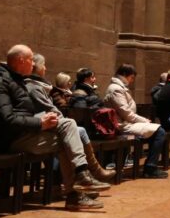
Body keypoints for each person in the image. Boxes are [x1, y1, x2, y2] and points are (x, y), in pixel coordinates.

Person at [0, 45, 109, 211]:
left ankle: (81, 177)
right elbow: (7, 119)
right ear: (21, 60)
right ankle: (76, 190)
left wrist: (44, 119)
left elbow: (21, 112)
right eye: (31, 60)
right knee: (67, 138)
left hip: (22, 133)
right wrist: (40, 123)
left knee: (69, 125)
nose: (33, 64)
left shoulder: (14, 79)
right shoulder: (0, 82)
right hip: (8, 140)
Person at [23, 54, 115, 183]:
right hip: (37, 127)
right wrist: (62, 119)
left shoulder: (39, 86)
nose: (45, 68)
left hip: (44, 124)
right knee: (74, 131)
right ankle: (81, 175)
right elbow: (50, 108)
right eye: (43, 65)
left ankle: (84, 175)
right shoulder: (34, 87)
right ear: (36, 67)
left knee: (74, 131)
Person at [104, 64, 168, 178]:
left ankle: (149, 166)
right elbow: (126, 113)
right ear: (124, 74)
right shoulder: (116, 89)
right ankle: (150, 168)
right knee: (159, 132)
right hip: (122, 125)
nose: (132, 80)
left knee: (156, 131)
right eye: (132, 77)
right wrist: (144, 121)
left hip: (127, 123)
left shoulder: (119, 87)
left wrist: (143, 121)